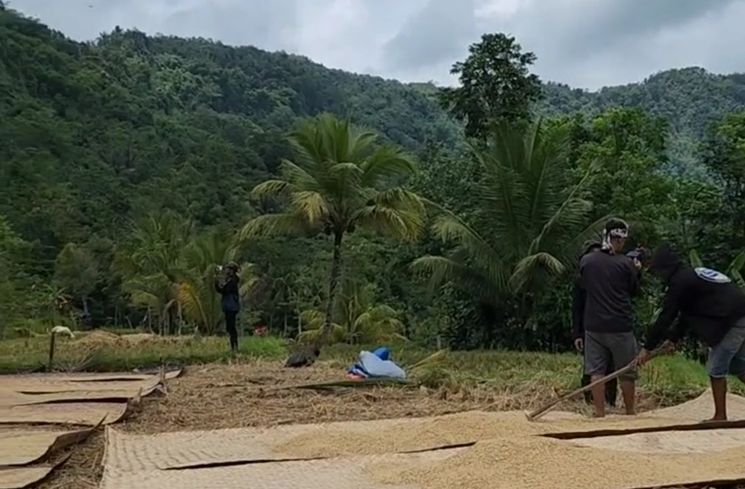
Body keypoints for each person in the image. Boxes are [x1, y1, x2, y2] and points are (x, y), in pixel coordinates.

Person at [637, 242, 745, 421]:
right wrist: (673, 339)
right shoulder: (689, 276)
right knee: (737, 365)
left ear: (665, 269)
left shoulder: (680, 282)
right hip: (738, 315)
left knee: (716, 368)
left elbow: (667, 316)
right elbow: (687, 314)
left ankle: (720, 416)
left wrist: (647, 348)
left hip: (733, 320)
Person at [579, 218, 642, 417]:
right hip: (619, 325)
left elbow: (584, 287)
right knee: (626, 371)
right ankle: (630, 412)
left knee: (596, 370)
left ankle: (599, 412)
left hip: (593, 325)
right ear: (620, 240)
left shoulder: (586, 261)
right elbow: (634, 291)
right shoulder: (626, 264)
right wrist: (637, 271)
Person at [572, 240, 617, 407]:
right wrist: (577, 333)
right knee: (591, 367)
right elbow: (577, 307)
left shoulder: (613, 277)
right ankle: (590, 401)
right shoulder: (581, 280)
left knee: (611, 367)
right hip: (589, 327)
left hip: (611, 326)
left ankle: (610, 401)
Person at [215, 262, 241, 353]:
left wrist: (217, 282)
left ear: (232, 271)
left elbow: (224, 290)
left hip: (231, 307)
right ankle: (234, 347)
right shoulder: (231, 280)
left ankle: (235, 347)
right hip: (230, 307)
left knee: (231, 327)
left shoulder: (232, 281)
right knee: (230, 327)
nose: (227, 271)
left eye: (229, 269)